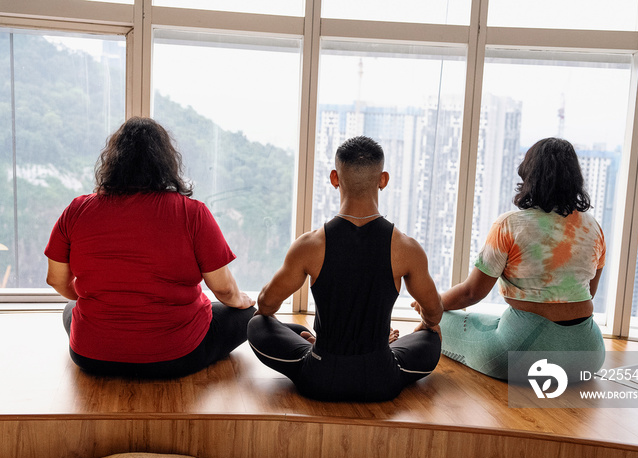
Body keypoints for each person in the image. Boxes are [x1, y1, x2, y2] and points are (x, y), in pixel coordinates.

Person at [45, 117, 255, 378]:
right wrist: (241, 301)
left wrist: (105, 304)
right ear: (167, 162)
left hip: (91, 356)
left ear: (112, 162)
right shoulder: (193, 213)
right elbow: (223, 287)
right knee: (246, 314)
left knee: (70, 310)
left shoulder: (77, 209)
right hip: (177, 356)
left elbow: (56, 279)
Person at [247, 136, 443, 402]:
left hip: (319, 377)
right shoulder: (406, 248)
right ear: (383, 179)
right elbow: (434, 313)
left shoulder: (309, 245)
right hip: (381, 379)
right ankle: (384, 346)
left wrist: (266, 301)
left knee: (258, 324)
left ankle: (314, 345)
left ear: (334, 178)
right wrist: (427, 325)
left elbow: (266, 305)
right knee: (431, 336)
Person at [414, 137, 606, 382]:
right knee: (490, 321)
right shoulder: (593, 228)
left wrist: (430, 306)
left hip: (524, 355)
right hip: (587, 355)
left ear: (529, 175)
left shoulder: (510, 225)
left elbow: (471, 294)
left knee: (443, 320)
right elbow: (588, 292)